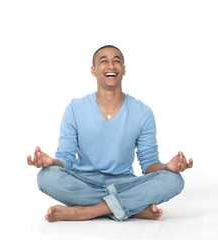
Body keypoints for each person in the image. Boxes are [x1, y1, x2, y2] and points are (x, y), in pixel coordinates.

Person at [27, 45, 193, 222]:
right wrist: (51, 162)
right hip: (84, 182)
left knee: (174, 180)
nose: (111, 65)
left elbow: (149, 164)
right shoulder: (75, 108)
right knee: (46, 177)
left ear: (123, 70)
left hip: (123, 184)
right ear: (93, 70)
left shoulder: (142, 112)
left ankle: (87, 211)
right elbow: (65, 159)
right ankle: (130, 208)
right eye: (103, 61)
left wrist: (167, 167)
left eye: (117, 61)